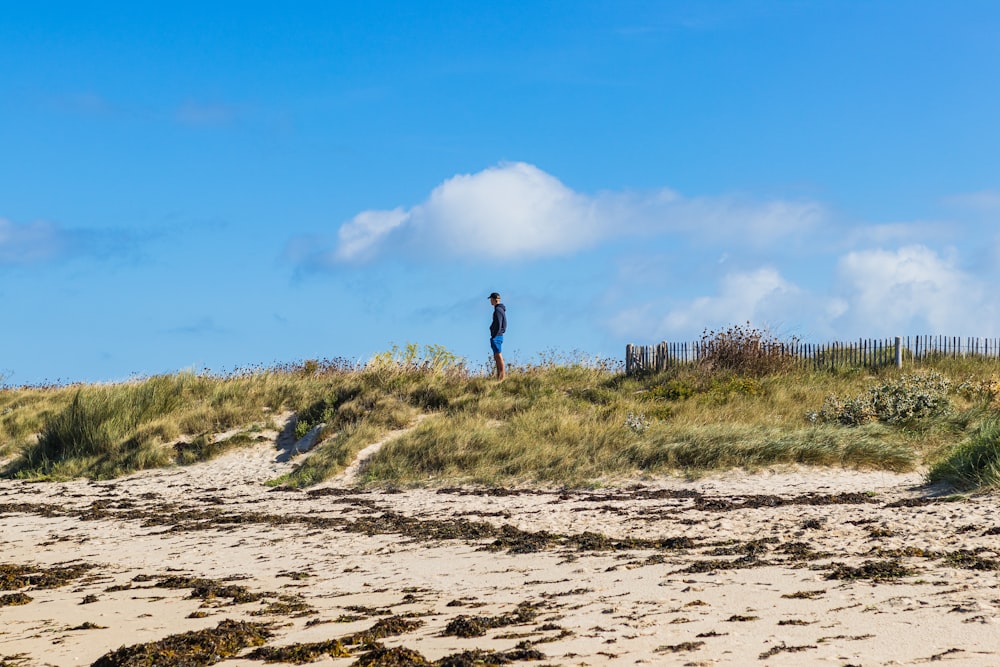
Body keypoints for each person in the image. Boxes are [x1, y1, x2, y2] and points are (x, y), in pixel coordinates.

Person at [488, 292, 506, 380]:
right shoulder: (499, 309)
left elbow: (500, 324)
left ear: (494, 299)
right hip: (497, 335)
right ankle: (499, 377)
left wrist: (494, 335)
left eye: (491, 299)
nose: (490, 301)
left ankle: (502, 377)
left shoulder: (498, 310)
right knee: (496, 357)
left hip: (497, 336)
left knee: (498, 356)